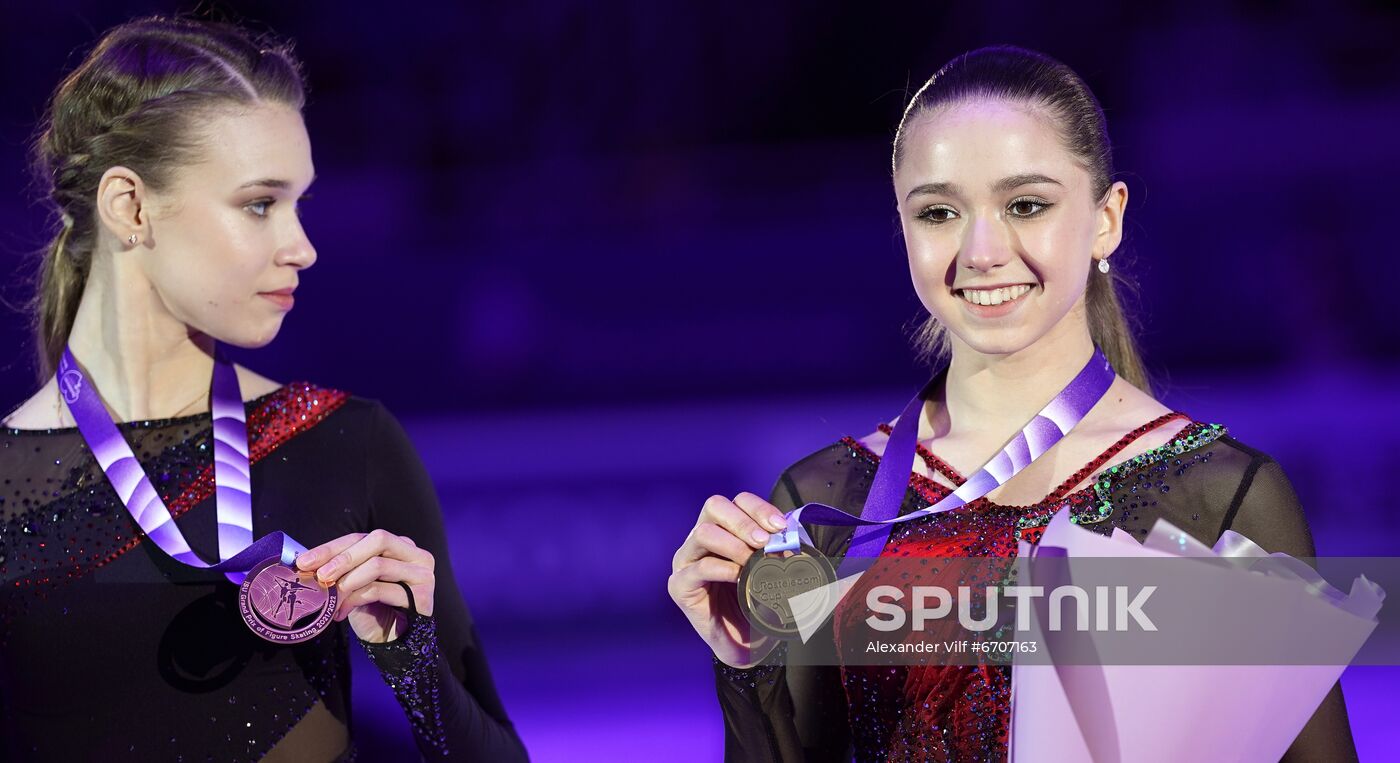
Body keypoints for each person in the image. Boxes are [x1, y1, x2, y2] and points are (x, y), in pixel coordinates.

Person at [668, 45, 1358, 762]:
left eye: (1025, 204)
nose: (982, 250)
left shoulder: (1219, 499)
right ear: (903, 229)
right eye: (938, 211)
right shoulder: (826, 504)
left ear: (1105, 219)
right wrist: (749, 665)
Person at [0, 16, 527, 762]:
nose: (302, 245)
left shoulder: (349, 442)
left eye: (300, 202)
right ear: (130, 207)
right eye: (259, 203)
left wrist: (408, 656)